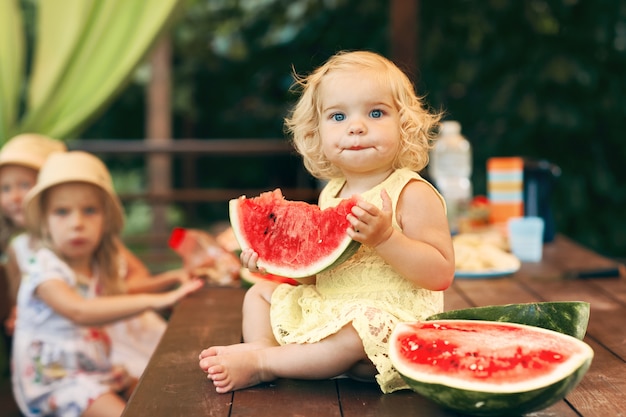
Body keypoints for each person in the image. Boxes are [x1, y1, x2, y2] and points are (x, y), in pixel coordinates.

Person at [198, 50, 455, 394]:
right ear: (315, 133)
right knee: (259, 294)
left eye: (376, 112)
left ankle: (264, 365)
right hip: (330, 309)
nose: (356, 126)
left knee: (357, 330)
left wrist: (386, 237)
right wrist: (272, 262)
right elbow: (320, 271)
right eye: (337, 116)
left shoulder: (411, 192)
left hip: (386, 327)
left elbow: (440, 274)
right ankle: (262, 346)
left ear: (404, 124)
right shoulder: (331, 193)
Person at [11, 151, 204, 417]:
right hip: (56, 380)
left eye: (89, 211)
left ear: (106, 220)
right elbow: (79, 310)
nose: (77, 224)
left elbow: (120, 294)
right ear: (45, 221)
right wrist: (157, 300)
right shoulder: (42, 266)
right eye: (62, 212)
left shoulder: (99, 263)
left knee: (169, 394)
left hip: (95, 367)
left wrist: (172, 279)